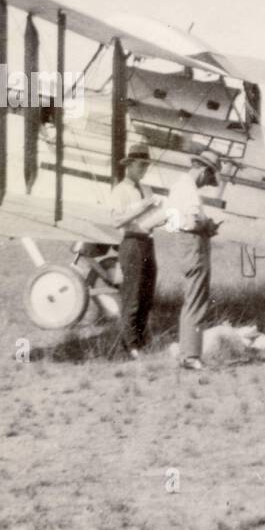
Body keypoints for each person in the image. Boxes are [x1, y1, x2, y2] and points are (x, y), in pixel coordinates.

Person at [166, 148, 223, 370]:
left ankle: (187, 352)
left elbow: (174, 222)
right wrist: (208, 225)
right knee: (197, 300)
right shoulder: (189, 189)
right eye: (209, 177)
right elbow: (191, 222)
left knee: (192, 298)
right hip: (194, 246)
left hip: (185, 246)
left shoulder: (178, 186)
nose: (207, 182)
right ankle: (191, 356)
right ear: (202, 169)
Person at [108, 146, 162, 359]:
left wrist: (161, 215)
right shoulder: (120, 191)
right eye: (141, 166)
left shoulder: (146, 189)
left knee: (147, 295)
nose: (144, 170)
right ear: (129, 165)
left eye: (146, 166)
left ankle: (140, 341)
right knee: (133, 295)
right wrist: (142, 208)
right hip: (131, 243)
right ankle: (130, 345)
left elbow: (149, 217)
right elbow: (116, 220)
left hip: (147, 241)